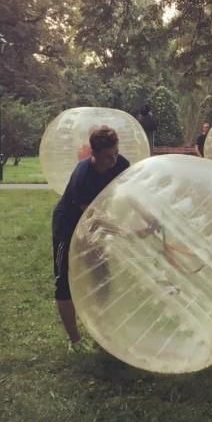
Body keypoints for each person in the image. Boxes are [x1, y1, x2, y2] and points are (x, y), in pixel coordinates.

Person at [51, 126, 130, 348]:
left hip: (97, 225)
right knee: (65, 283)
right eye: (107, 157)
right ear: (93, 154)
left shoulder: (121, 165)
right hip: (68, 226)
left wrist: (148, 220)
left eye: (115, 153)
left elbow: (131, 196)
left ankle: (100, 332)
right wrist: (124, 230)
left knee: (101, 277)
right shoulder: (82, 176)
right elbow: (92, 217)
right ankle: (75, 341)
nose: (113, 160)